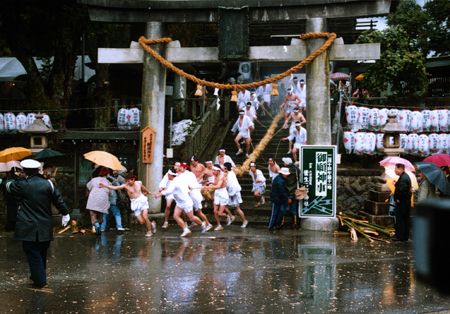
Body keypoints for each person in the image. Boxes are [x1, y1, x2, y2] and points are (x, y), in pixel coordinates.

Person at [6, 159, 70, 289]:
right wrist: (65, 213)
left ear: (25, 172)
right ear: (38, 170)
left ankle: (41, 281)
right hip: (45, 224)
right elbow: (58, 200)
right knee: (42, 251)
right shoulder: (48, 184)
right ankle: (37, 276)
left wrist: (14, 177)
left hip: (27, 224)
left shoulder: (22, 185)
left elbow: (8, 186)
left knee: (32, 252)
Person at [100, 173, 156, 237]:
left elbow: (143, 187)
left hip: (142, 201)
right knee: (142, 222)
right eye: (126, 181)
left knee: (145, 216)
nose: (127, 182)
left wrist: (148, 192)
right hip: (134, 203)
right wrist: (105, 185)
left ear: (133, 179)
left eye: (129, 181)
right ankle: (151, 224)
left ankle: (149, 231)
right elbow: (115, 187)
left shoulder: (139, 183)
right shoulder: (125, 186)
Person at [154, 168, 206, 237]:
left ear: (170, 175)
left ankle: (202, 224)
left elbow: (169, 191)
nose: (167, 176)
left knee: (191, 218)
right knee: (175, 216)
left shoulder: (175, 182)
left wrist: (159, 194)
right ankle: (185, 229)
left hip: (186, 201)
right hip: (179, 202)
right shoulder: (177, 180)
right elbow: (171, 189)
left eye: (168, 175)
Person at [178, 163, 213, 232]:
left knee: (198, 212)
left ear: (185, 168)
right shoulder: (187, 174)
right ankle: (194, 222)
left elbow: (187, 185)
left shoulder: (187, 175)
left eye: (181, 167)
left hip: (194, 194)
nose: (180, 168)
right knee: (190, 210)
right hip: (191, 194)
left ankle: (208, 224)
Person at [202, 164, 230, 231]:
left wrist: (208, 187)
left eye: (214, 170)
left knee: (220, 213)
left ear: (218, 171)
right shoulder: (215, 175)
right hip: (217, 193)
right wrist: (211, 182)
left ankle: (228, 216)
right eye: (212, 170)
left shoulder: (221, 177)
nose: (213, 172)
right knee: (215, 211)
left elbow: (218, 186)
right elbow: (216, 183)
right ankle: (219, 225)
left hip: (223, 193)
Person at [86, 167, 113, 235]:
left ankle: (96, 224)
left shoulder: (93, 180)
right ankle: (100, 226)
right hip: (103, 201)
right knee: (100, 214)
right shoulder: (108, 182)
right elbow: (111, 193)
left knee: (93, 214)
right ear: (106, 175)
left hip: (93, 199)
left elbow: (88, 186)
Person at [223, 162, 248, 227]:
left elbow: (232, 186)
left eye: (224, 168)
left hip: (234, 193)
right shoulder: (230, 174)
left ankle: (244, 220)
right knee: (223, 205)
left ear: (226, 168)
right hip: (232, 193)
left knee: (237, 209)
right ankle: (231, 216)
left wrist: (229, 193)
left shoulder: (230, 175)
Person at [392, 163, 412, 241]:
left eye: (396, 168)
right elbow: (402, 187)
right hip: (405, 201)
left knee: (401, 219)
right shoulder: (404, 177)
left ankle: (400, 236)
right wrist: (396, 184)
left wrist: (398, 198)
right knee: (405, 219)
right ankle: (404, 235)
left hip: (402, 202)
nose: (395, 170)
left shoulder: (403, 177)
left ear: (400, 169)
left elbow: (403, 190)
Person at [159, 162, 181, 228]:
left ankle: (184, 222)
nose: (176, 167)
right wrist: (161, 187)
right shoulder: (169, 173)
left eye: (178, 166)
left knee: (181, 207)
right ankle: (166, 222)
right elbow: (163, 181)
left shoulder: (182, 174)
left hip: (178, 192)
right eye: (175, 165)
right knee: (168, 205)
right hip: (169, 192)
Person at [282, 157, 301, 229]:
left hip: (287, 192)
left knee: (284, 208)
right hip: (295, 192)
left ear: (286, 164)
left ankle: (281, 222)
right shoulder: (296, 169)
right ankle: (295, 223)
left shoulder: (286, 171)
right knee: (293, 208)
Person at [3, 167, 22, 231]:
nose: (19, 173)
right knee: (11, 219)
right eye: (18, 172)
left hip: (16, 203)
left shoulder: (17, 180)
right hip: (12, 202)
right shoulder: (9, 182)